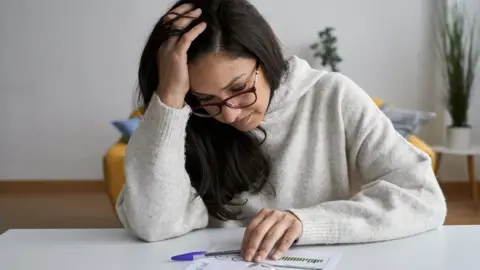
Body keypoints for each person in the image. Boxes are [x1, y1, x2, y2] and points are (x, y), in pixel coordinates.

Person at [115, 0, 447, 263]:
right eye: (206, 99)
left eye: (240, 87)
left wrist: (306, 222)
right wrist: (171, 101)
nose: (229, 114)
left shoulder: (334, 96)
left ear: (265, 56)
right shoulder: (189, 118)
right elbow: (154, 224)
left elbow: (422, 198)